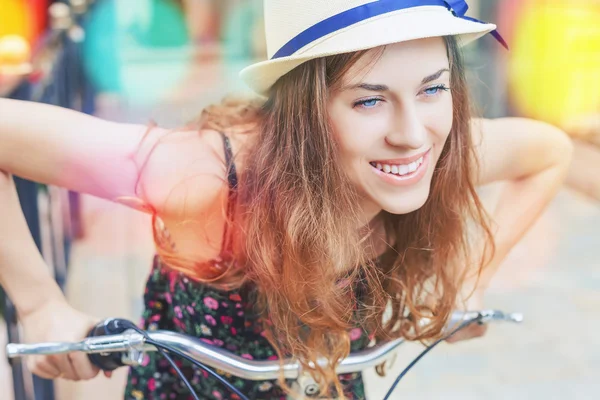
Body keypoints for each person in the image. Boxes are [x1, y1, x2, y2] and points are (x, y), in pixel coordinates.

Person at [0, 1, 573, 399]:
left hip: (326, 383)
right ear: (306, 112)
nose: (413, 134)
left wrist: (469, 282)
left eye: (432, 89)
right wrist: (38, 302)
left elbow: (548, 153)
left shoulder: (440, 154)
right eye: (369, 102)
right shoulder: (207, 176)